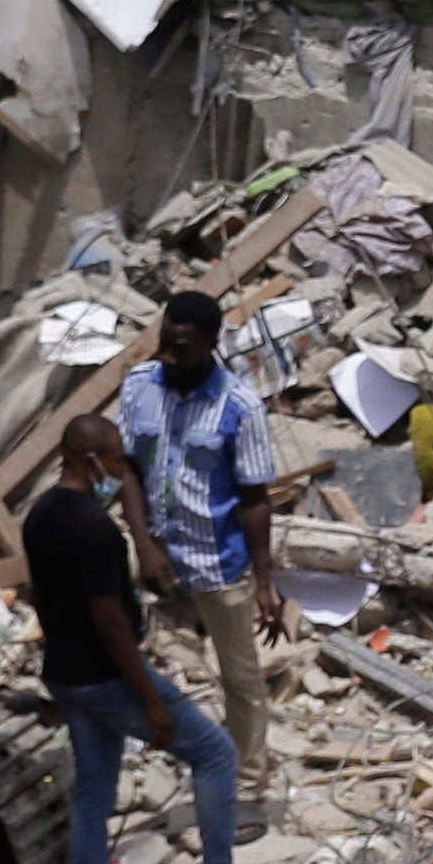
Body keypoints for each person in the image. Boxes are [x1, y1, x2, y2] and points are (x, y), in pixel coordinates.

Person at [33, 410, 238, 864]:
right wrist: (152, 701)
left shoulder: (40, 515)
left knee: (93, 797)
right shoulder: (95, 530)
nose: (121, 470)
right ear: (89, 460)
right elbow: (110, 622)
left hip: (65, 674)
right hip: (107, 677)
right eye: (114, 459)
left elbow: (46, 599)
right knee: (215, 754)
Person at [117, 288, 285, 764]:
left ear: (212, 344)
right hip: (153, 548)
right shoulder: (140, 385)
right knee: (120, 644)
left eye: (182, 349)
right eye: (164, 344)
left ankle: (247, 777)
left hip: (217, 561)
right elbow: (127, 467)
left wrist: (264, 583)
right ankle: (144, 742)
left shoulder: (241, 407)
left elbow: (255, 498)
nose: (169, 358)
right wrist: (144, 546)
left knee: (240, 677)